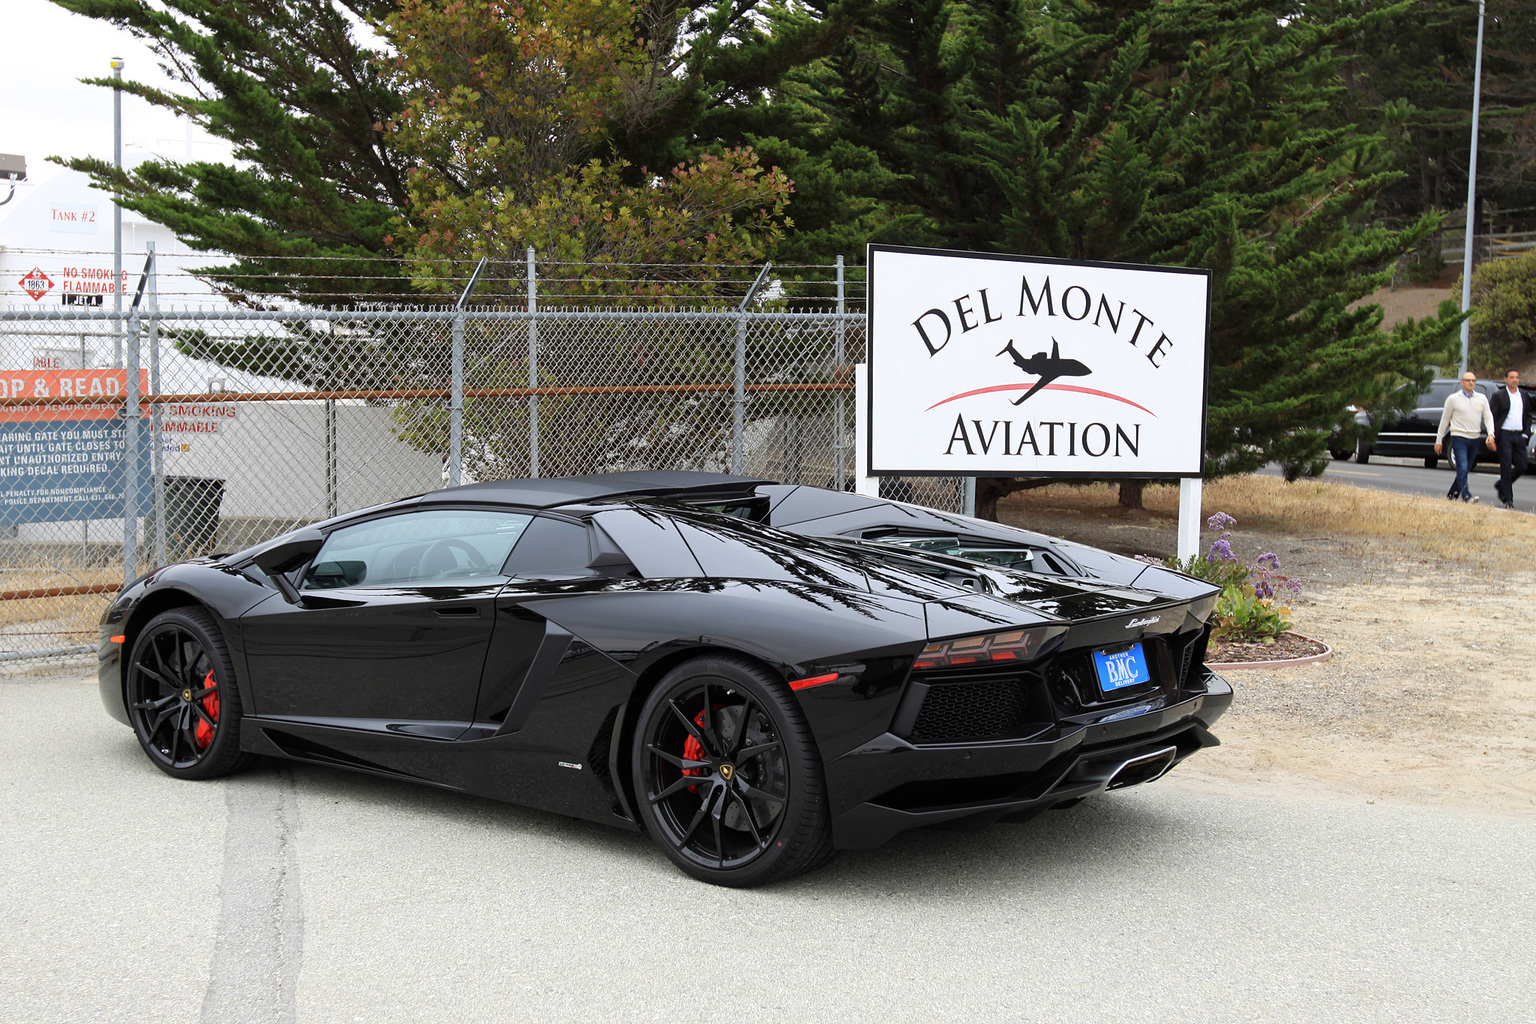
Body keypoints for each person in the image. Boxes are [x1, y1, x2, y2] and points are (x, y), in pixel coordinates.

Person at [1433, 372, 1495, 502]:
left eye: (1473, 380)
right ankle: (1466, 496)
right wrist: (1439, 440)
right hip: (1458, 437)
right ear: (1462, 382)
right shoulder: (1453, 399)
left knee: (1465, 470)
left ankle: (1451, 496)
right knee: (1462, 466)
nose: (1471, 383)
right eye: (1468, 380)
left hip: (1474, 437)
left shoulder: (1481, 398)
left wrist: (1491, 434)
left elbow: (1488, 417)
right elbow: (1444, 420)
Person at [1489, 368, 1531, 509]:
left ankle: (1501, 485)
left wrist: (1526, 434)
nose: (1515, 380)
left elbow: (1528, 416)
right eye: (1512, 377)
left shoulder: (1524, 395)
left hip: (1519, 435)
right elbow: (1492, 417)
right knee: (1505, 467)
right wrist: (1492, 436)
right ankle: (1508, 499)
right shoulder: (1499, 396)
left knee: (1522, 466)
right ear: (1506, 379)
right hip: (1504, 435)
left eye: (1517, 377)